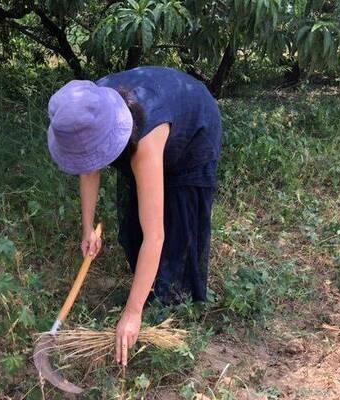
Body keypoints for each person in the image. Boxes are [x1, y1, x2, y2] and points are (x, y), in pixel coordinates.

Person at [46, 66, 223, 367]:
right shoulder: (88, 107)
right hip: (149, 129)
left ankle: (169, 303)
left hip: (194, 132)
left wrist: (132, 313)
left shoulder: (145, 138)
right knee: (134, 227)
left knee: (176, 227)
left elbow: (155, 236)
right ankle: (148, 284)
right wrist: (87, 228)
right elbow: (89, 167)